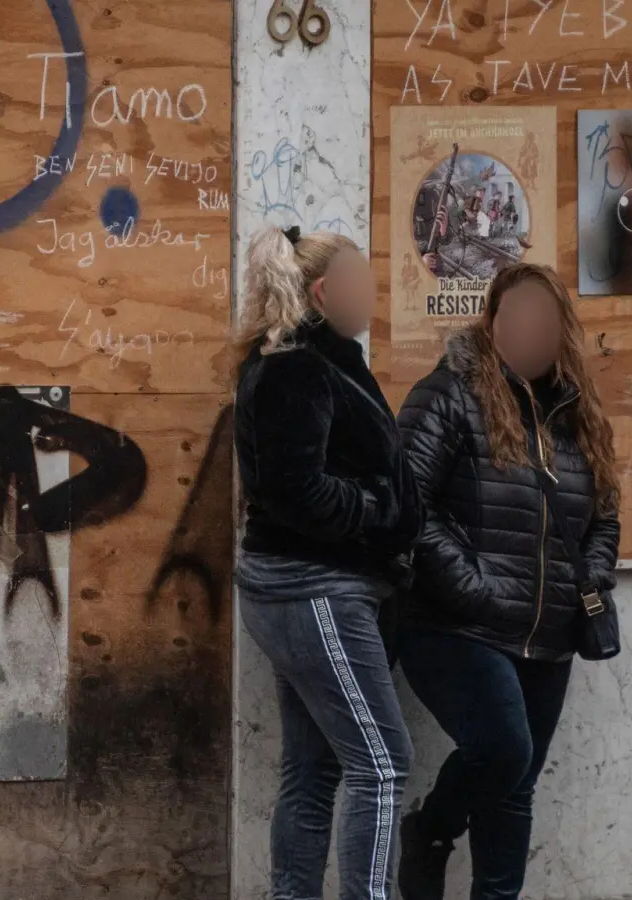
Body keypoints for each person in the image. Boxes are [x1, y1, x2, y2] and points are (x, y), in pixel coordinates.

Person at [395, 263, 621, 900]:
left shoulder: (578, 415)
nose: (528, 330)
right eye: (513, 316)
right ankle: (432, 827)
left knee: (514, 787)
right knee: (502, 749)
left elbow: (605, 517)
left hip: (547, 634)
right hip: (455, 625)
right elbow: (406, 502)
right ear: (492, 322)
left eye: (542, 320)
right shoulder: (449, 395)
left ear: (561, 332)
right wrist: (470, 584)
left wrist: (593, 581)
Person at [234, 225, 424, 900]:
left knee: (313, 770)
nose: (374, 291)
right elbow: (294, 491)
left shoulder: (325, 357)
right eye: (362, 280)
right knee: (381, 765)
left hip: (312, 587)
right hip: (312, 587)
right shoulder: (295, 368)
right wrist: (381, 514)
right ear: (324, 290)